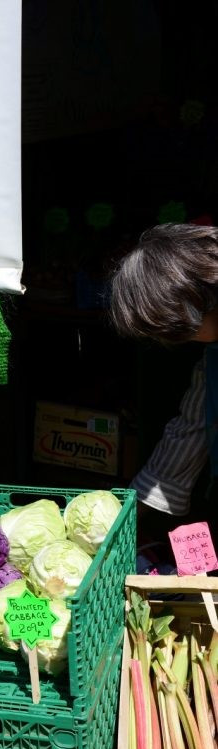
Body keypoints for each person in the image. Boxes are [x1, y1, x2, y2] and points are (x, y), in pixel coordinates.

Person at [109, 222, 218, 535]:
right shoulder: (211, 361)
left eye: (164, 325)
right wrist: (126, 517)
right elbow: (190, 429)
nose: (169, 339)